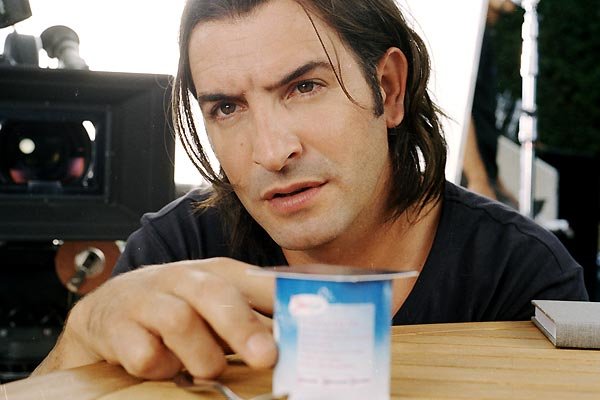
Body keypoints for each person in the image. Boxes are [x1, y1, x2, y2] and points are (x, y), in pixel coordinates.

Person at [33, 0, 587, 380]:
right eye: (227, 107)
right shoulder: (176, 252)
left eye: (304, 87)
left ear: (389, 89)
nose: (272, 152)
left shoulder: (519, 273)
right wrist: (82, 335)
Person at [462, 0, 518, 207]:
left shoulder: (483, 34)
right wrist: (478, 180)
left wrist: (495, 181)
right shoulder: (470, 33)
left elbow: (480, 115)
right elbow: (460, 108)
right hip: (467, 180)